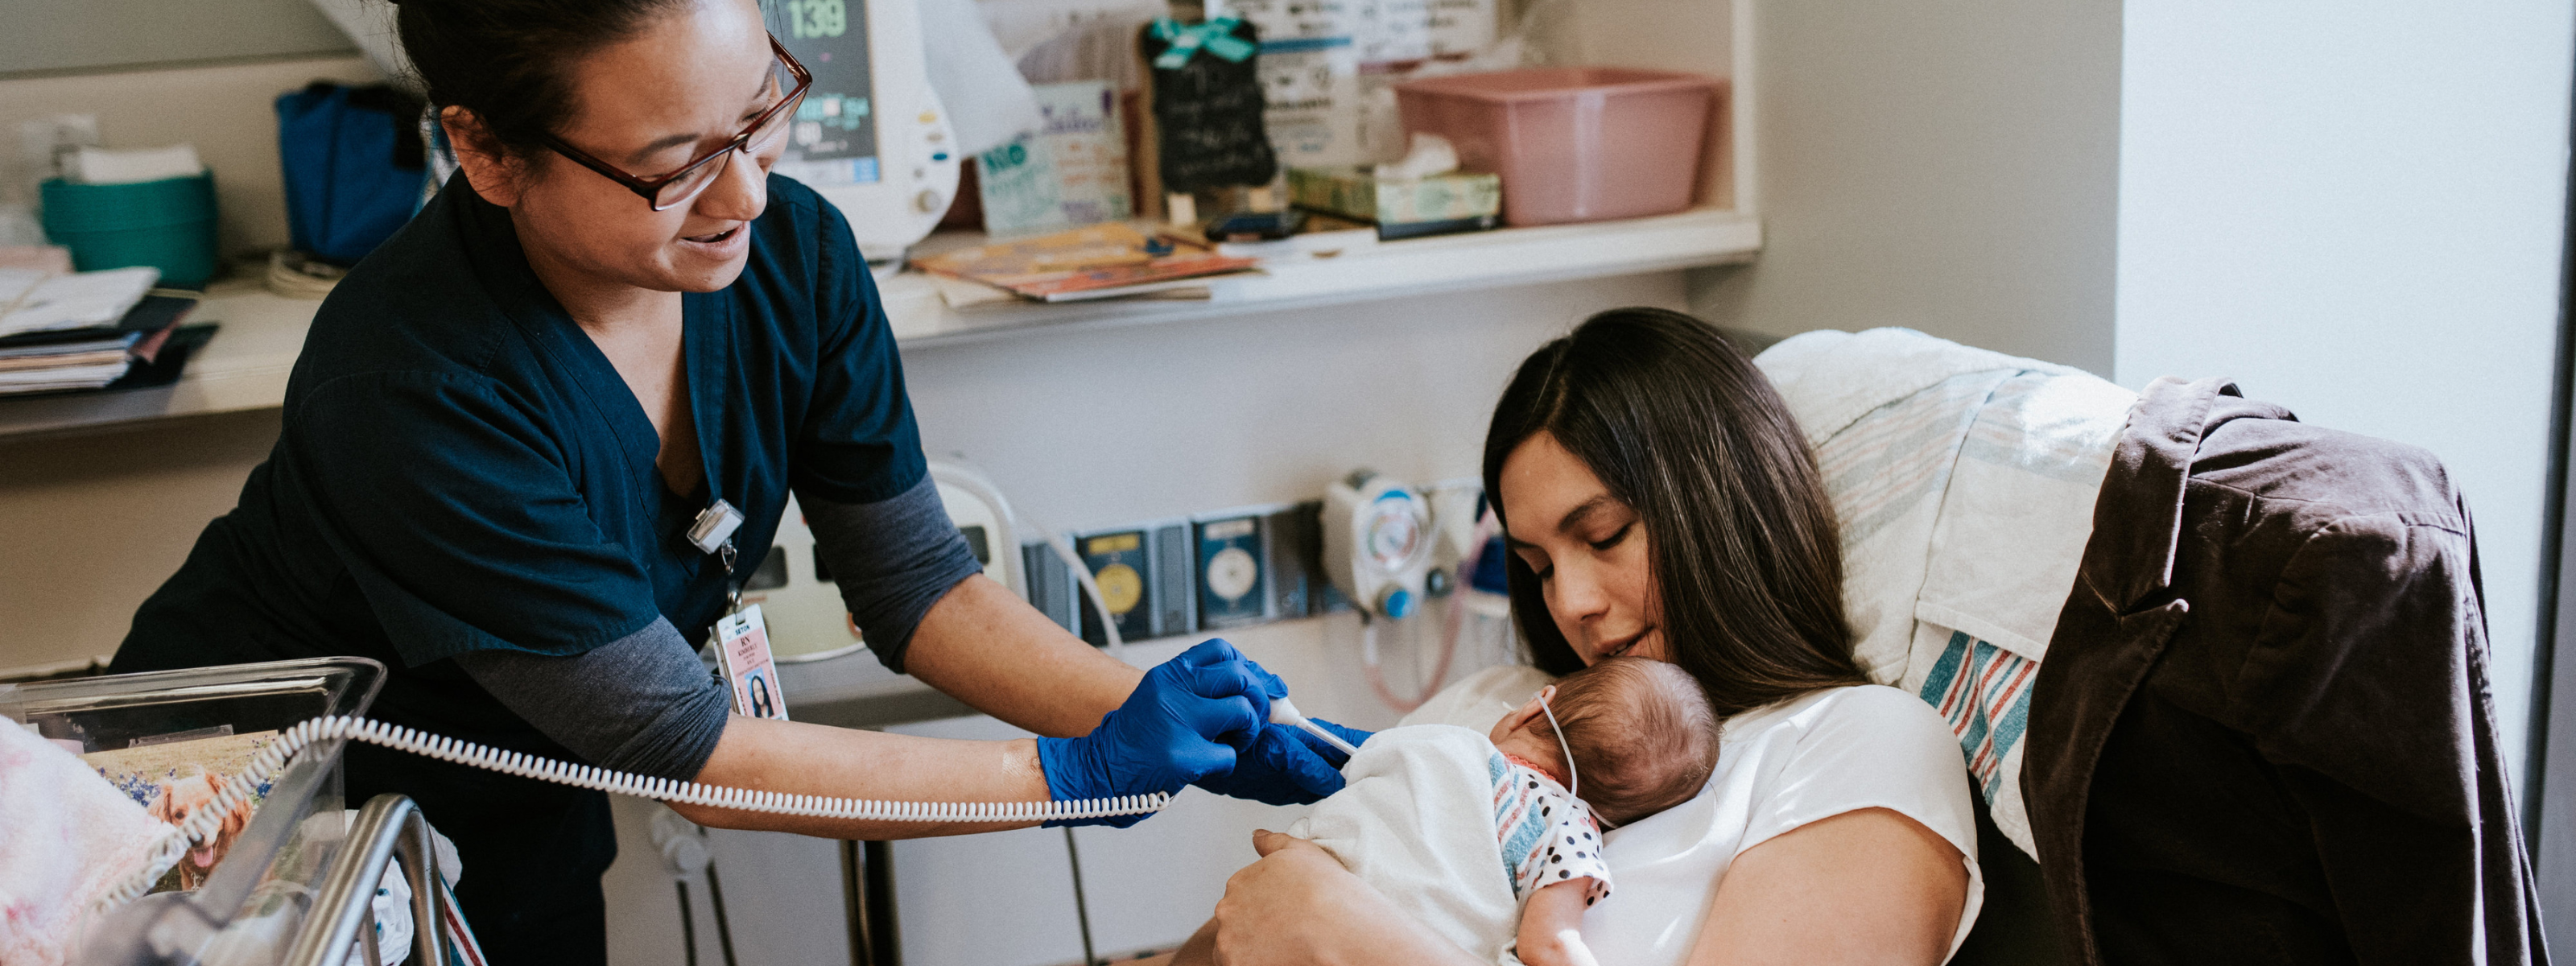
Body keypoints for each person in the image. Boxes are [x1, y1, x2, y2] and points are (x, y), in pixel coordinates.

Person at [104, 0, 1357, 961]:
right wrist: (1077, 778)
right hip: (248, 825)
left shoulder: (791, 256)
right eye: (675, 161)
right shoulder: (416, 382)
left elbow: (918, 584)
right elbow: (682, 747)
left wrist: (1186, 723)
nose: (748, 191)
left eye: (763, 113)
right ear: (486, 151)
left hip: (522, 798)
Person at [1197, 308, 1984, 966]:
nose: (1569, 602)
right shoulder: (1492, 706)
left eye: (1604, 536)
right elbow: (1248, 924)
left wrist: (1355, 942)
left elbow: (1311, 920)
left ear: (1724, 509)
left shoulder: (1853, 742)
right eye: (1537, 565)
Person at [1168, 657, 1719, 966]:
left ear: (1535, 707)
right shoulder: (1572, 829)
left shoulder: (1443, 741)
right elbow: (1548, 942)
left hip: (1284, 896)